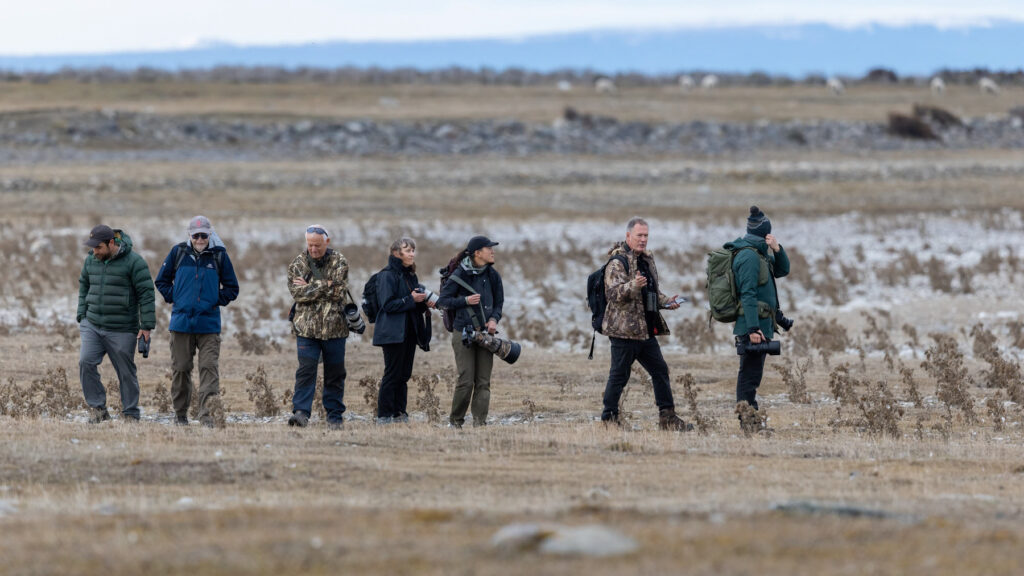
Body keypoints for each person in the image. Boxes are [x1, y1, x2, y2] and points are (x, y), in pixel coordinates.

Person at [600, 217, 691, 431]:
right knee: (619, 376)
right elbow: (613, 294)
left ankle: (667, 418)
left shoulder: (646, 260)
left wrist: (666, 301)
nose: (643, 240)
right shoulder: (617, 262)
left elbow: (650, 293)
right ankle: (609, 419)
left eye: (646, 236)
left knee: (660, 370)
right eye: (639, 235)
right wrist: (633, 285)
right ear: (628, 236)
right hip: (623, 331)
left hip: (645, 330)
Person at [154, 216, 240, 427]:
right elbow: (161, 280)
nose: (200, 239)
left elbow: (232, 288)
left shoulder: (219, 256)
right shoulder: (178, 252)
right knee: (181, 368)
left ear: (210, 234)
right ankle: (180, 415)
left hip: (209, 324)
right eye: (196, 235)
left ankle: (207, 416)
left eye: (204, 235)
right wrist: (175, 297)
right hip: (181, 324)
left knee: (209, 368)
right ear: (189, 235)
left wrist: (213, 301)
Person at [76, 225, 156, 423]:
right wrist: (82, 314)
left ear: (111, 243)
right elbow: (84, 284)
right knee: (86, 362)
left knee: (125, 372)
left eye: (98, 247)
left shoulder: (135, 262)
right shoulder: (91, 260)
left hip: (122, 328)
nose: (94, 251)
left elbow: (146, 294)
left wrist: (146, 326)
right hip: (92, 323)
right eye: (93, 247)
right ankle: (98, 409)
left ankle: (130, 413)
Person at [727, 206, 790, 415]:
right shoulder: (750, 257)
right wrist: (753, 329)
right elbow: (748, 294)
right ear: (764, 233)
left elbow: (782, 270)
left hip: (759, 325)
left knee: (752, 375)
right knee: (749, 376)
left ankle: (750, 417)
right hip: (753, 327)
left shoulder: (759, 255)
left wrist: (777, 249)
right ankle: (748, 420)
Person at [286, 224, 350, 429]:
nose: (313, 249)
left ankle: (334, 416)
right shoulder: (298, 264)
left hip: (335, 329)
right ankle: (301, 413)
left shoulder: (339, 261)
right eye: (310, 245)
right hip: (306, 329)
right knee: (306, 370)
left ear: (327, 242)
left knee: (335, 372)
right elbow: (298, 294)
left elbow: (339, 291)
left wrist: (311, 287)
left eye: (317, 245)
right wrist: (326, 285)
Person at [437, 235, 504, 428]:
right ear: (477, 253)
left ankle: (479, 423)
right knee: (466, 380)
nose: (493, 251)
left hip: (486, 335)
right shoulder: (460, 274)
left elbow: (499, 303)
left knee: (483, 381)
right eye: (489, 248)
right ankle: (455, 422)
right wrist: (464, 301)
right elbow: (443, 301)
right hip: (463, 333)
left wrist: (494, 319)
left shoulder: (493, 275)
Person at [372, 237, 434, 423]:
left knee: (404, 374)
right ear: (396, 253)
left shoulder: (410, 275)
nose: (412, 254)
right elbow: (387, 305)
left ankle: (400, 413)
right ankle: (384, 416)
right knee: (392, 374)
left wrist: (424, 304)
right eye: (408, 251)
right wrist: (411, 300)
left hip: (409, 332)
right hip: (392, 333)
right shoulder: (386, 275)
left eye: (413, 250)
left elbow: (410, 303)